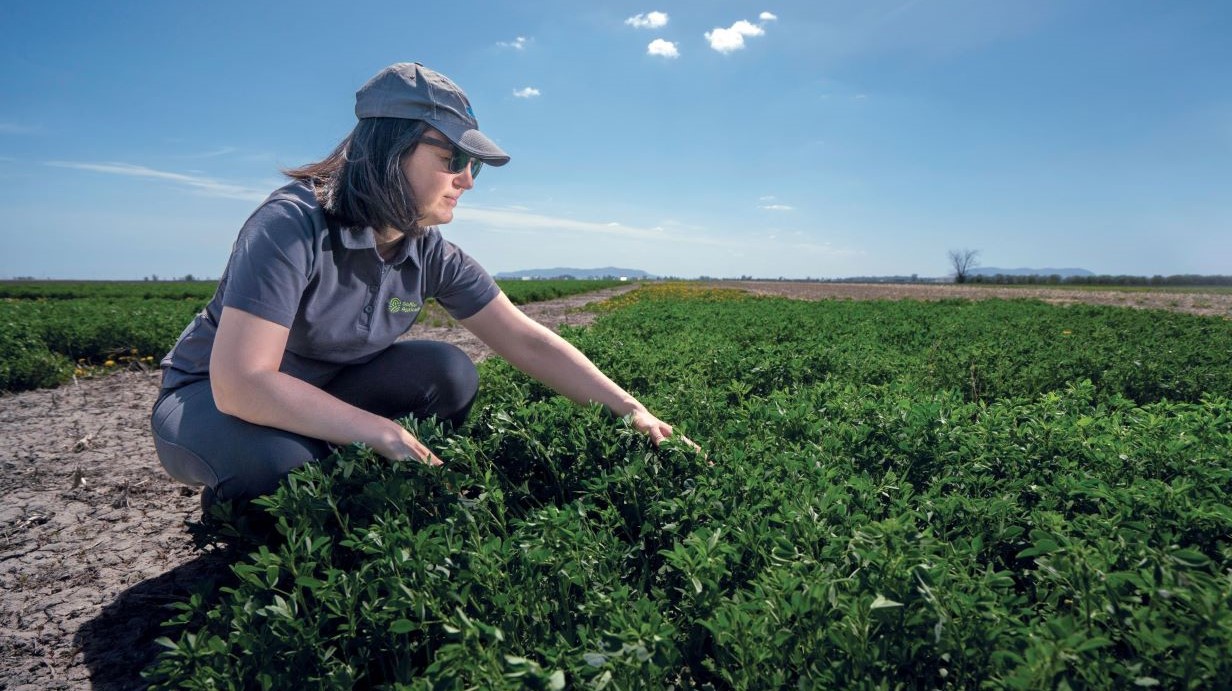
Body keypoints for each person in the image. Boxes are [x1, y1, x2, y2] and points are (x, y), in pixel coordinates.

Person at [150, 62, 693, 508]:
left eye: (473, 163)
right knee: (283, 472)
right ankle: (253, 505)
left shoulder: (426, 249)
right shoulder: (292, 226)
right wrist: (379, 432)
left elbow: (525, 339)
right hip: (208, 399)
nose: (468, 179)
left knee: (448, 372)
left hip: (322, 394)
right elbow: (241, 382)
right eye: (451, 159)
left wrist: (633, 411)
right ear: (390, 150)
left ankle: (331, 467)